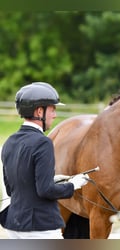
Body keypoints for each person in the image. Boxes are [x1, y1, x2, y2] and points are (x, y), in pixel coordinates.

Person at [0, 82, 89, 239]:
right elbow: (45, 190)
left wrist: (52, 179)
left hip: (14, 225)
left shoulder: (10, 141)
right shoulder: (43, 142)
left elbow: (12, 188)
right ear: (39, 111)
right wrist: (73, 185)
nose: (54, 115)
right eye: (52, 109)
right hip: (40, 227)